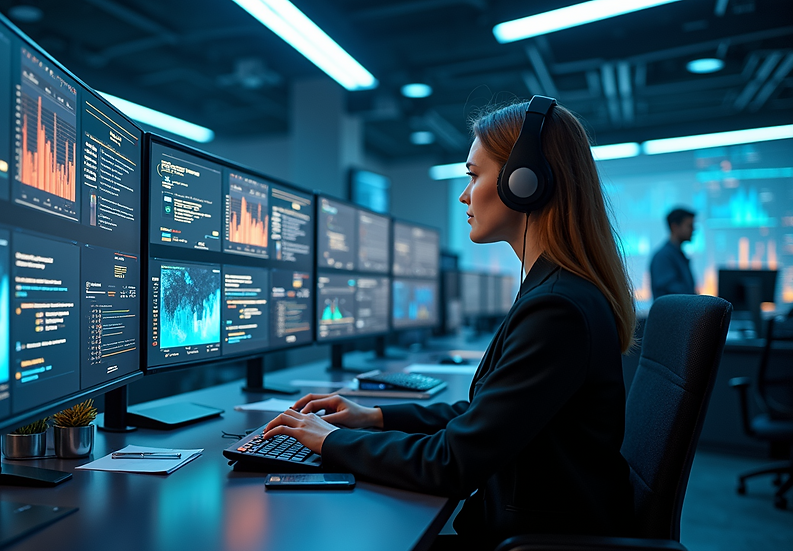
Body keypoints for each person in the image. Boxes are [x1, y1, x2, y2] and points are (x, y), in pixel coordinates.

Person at [264, 98, 637, 549]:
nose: (464, 194)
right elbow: (487, 419)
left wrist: (332, 441)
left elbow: (452, 463)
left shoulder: (558, 309)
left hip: (531, 541)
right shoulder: (557, 293)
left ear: (525, 183)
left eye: (473, 176)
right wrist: (375, 416)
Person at [650, 208, 697, 300]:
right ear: (674, 227)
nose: (693, 229)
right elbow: (673, 293)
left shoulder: (678, 255)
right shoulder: (663, 257)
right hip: (674, 309)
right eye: (689, 226)